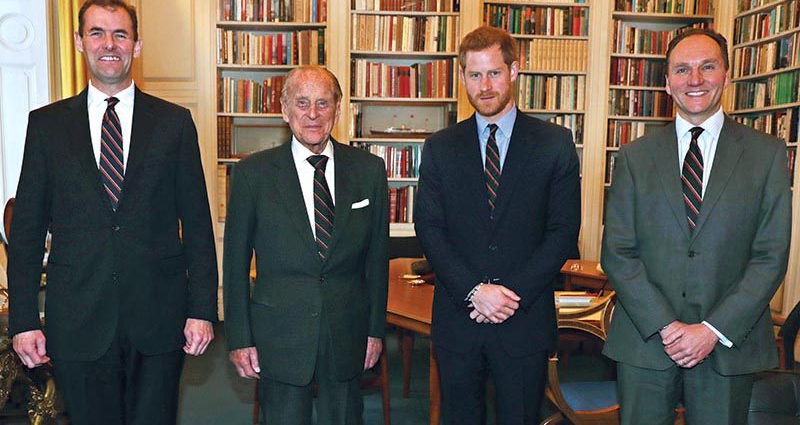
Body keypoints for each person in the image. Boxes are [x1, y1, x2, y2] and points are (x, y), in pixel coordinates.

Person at [7, 0, 218, 425]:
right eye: (97, 33)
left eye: (120, 35)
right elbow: (27, 232)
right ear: (80, 41)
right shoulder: (46, 126)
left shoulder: (174, 124)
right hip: (79, 319)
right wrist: (24, 320)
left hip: (159, 320)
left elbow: (197, 225)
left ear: (136, 46)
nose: (109, 44)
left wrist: (201, 309)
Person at [601, 28, 792, 424]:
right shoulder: (634, 157)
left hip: (727, 343)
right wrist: (668, 326)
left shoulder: (767, 155)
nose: (695, 79)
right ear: (667, 83)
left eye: (707, 66)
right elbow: (618, 253)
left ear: (726, 74)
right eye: (682, 70)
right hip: (646, 340)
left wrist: (711, 330)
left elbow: (770, 256)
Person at [414, 25, 581, 424]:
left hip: (523, 320)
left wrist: (509, 296)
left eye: (494, 73)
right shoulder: (440, 147)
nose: (485, 85)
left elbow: (562, 233)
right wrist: (475, 291)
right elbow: (430, 229)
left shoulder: (554, 143)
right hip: (459, 320)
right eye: (475, 74)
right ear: (462, 78)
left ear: (515, 71)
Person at [223, 65, 389, 425]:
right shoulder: (252, 174)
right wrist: (239, 338)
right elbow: (234, 263)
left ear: (337, 110)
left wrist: (375, 331)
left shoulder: (369, 170)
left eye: (322, 103)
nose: (312, 114)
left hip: (348, 332)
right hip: (279, 335)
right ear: (285, 110)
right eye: (302, 103)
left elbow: (377, 261)